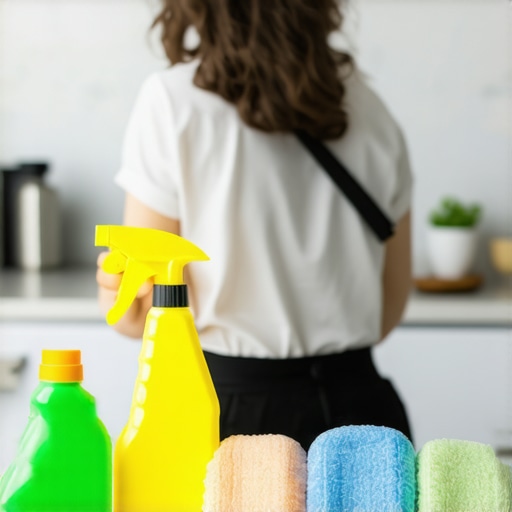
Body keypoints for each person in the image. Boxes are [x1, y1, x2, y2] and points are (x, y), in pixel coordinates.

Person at [97, 0, 413, 450]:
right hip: (364, 415)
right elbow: (390, 305)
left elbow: (145, 316)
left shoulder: (172, 101)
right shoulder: (370, 107)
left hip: (230, 415)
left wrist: (121, 306)